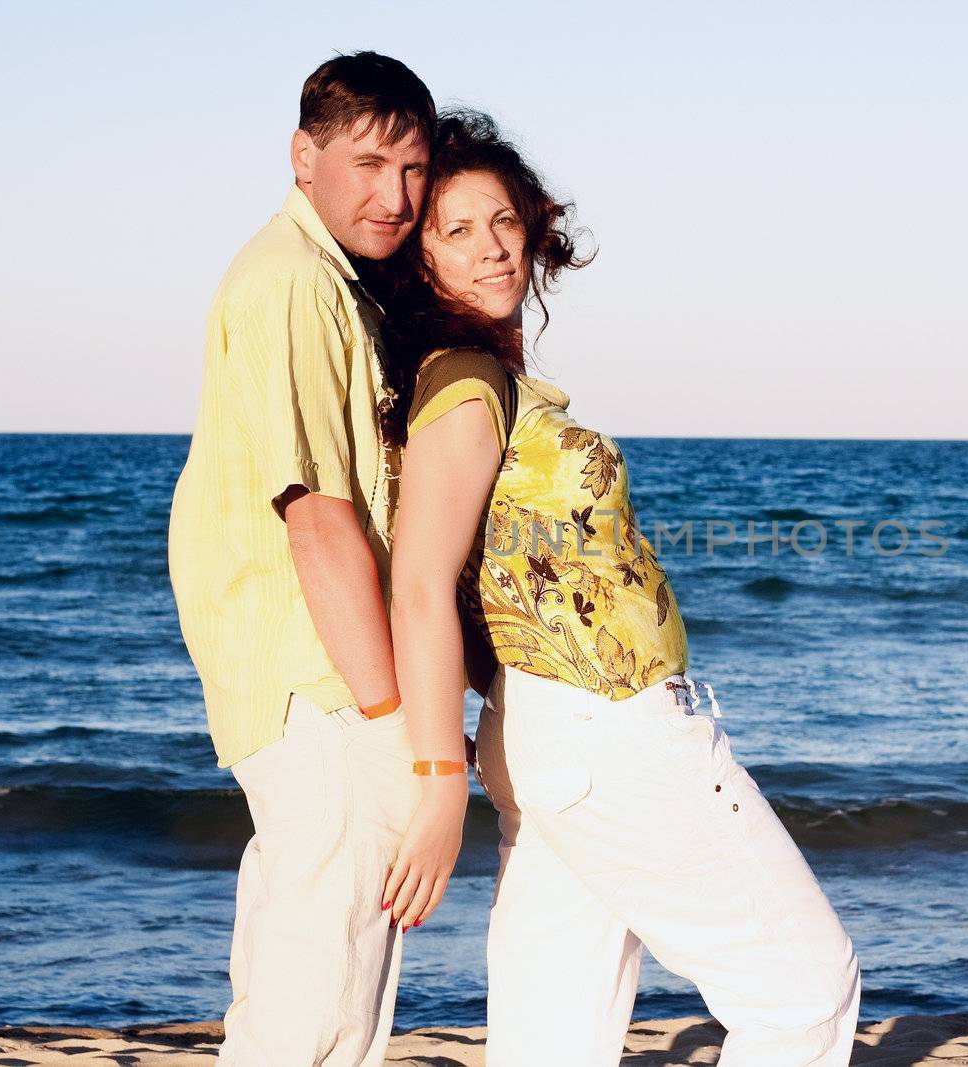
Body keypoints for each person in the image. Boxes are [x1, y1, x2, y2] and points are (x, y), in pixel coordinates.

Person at [376, 109, 862, 1066]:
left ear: (536, 230)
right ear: (421, 258)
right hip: (607, 726)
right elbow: (420, 583)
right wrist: (437, 775)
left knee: (552, 1037)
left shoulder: (469, 380)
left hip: (552, 730)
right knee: (805, 992)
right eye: (457, 230)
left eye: (505, 222)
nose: (491, 250)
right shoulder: (468, 383)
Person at [167, 52, 444, 1066]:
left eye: (413, 170)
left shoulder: (326, 277)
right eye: (369, 163)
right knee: (318, 1000)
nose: (396, 195)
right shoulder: (290, 281)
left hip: (315, 675)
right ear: (304, 154)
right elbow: (318, 517)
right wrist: (392, 722)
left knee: (307, 970)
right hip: (322, 682)